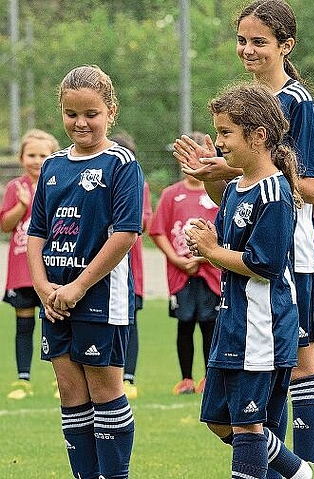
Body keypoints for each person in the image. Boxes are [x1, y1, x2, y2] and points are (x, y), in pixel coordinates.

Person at [172, 0, 314, 466]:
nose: (248, 49)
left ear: (286, 45)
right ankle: (281, 469)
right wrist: (214, 175)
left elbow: (311, 187)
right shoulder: (244, 104)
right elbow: (238, 199)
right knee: (260, 373)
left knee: (300, 365)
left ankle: (308, 466)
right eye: (243, 40)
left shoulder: (296, 102)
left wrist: (237, 168)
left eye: (259, 41)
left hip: (290, 256)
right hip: (251, 260)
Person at [27, 65, 143, 479]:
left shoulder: (121, 164)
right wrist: (43, 289)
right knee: (71, 396)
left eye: (91, 113)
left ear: (111, 111)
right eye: (71, 113)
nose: (80, 122)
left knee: (105, 392)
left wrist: (77, 286)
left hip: (98, 297)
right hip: (55, 300)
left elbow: (126, 233)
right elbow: (36, 232)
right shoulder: (53, 165)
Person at [150, 133, 220, 396]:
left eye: (202, 157)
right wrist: (176, 259)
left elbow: (224, 230)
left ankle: (209, 378)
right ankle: (186, 378)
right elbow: (157, 231)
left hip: (211, 272)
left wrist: (208, 255)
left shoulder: (217, 192)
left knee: (210, 325)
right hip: (181, 274)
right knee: (185, 325)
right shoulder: (171, 195)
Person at [1, 129, 59, 400]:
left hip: (52, 267)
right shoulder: (16, 187)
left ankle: (63, 378)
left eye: (43, 155)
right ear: (22, 157)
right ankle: (23, 378)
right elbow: (6, 225)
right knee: (24, 325)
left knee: (57, 323)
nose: (37, 160)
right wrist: (21, 206)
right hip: (22, 271)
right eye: (32, 155)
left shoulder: (59, 183)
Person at [110, 131, 152, 400]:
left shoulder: (140, 185)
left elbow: (145, 224)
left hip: (130, 268)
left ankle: (129, 377)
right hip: (100, 267)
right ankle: (108, 372)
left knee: (131, 320)